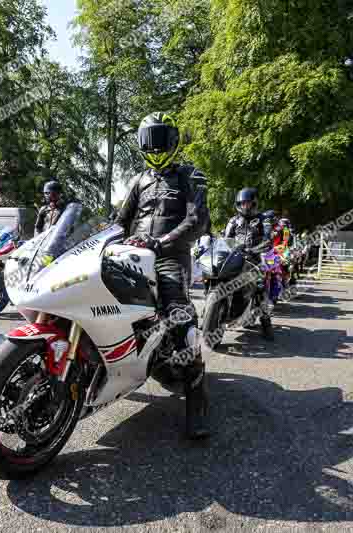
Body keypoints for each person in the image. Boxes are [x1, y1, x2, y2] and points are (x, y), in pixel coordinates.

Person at [116, 112, 210, 440]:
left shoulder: (190, 175)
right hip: (132, 257)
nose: (155, 146)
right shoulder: (139, 180)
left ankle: (197, 402)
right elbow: (120, 221)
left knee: (182, 321)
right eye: (149, 139)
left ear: (173, 140)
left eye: (161, 138)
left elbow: (197, 221)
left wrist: (161, 241)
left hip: (170, 258)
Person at [223, 188, 271, 327]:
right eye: (242, 203)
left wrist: (255, 249)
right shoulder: (233, 221)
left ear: (254, 203)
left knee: (261, 286)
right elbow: (226, 239)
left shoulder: (263, 220)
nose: (245, 206)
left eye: (248, 203)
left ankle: (265, 320)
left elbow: (268, 240)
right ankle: (212, 309)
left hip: (254, 257)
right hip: (235, 257)